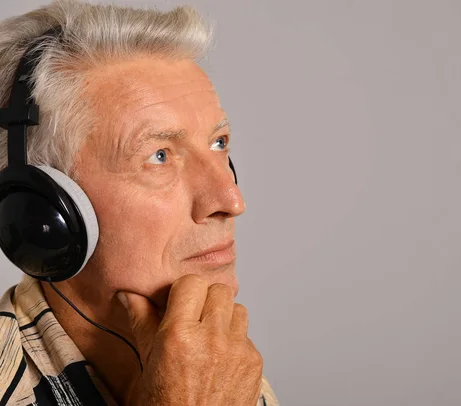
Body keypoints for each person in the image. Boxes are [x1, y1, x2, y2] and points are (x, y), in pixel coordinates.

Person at [0, 0, 279, 405]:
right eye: (160, 155)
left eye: (219, 144)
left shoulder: (219, 367)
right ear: (43, 211)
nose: (231, 200)